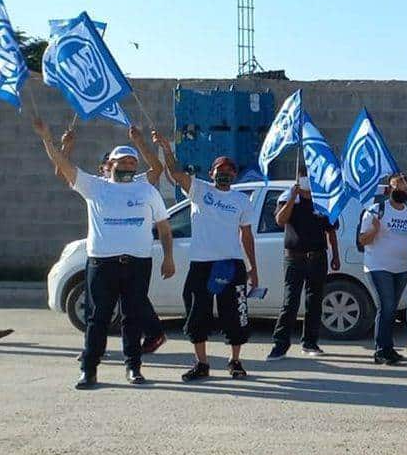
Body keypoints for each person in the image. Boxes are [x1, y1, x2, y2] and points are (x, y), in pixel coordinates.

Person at [32, 117, 173, 389]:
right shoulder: (95, 186)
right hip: (102, 265)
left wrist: (169, 257)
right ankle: (89, 370)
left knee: (132, 318)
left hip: (137, 264)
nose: (128, 165)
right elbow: (63, 167)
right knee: (98, 319)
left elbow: (165, 229)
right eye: (123, 161)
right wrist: (49, 139)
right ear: (111, 165)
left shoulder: (146, 190)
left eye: (133, 162)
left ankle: (133, 368)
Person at [153, 135, 258, 381]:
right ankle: (201, 363)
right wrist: (167, 149)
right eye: (220, 170)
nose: (225, 174)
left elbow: (247, 236)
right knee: (197, 314)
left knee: (235, 315)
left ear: (235, 175)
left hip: (231, 265)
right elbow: (176, 172)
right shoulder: (199, 190)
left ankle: (235, 361)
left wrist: (253, 267)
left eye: (230, 171)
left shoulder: (242, 200)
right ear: (211, 173)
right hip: (202, 265)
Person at [270, 163, 341, 361]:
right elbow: (280, 220)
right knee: (290, 302)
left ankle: (310, 342)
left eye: (310, 176)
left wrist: (335, 255)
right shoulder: (287, 197)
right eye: (303, 176)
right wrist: (294, 196)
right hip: (295, 258)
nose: (307, 180)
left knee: (315, 302)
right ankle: (280, 345)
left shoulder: (322, 201)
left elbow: (331, 230)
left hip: (317, 257)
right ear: (297, 177)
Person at [357, 173, 407, 366]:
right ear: (389, 189)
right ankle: (381, 350)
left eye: (405, 188)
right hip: (378, 266)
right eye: (398, 187)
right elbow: (362, 240)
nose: (402, 191)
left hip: (402, 268)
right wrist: (374, 230)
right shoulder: (376, 211)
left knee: (391, 309)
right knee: (385, 306)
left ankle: (388, 348)